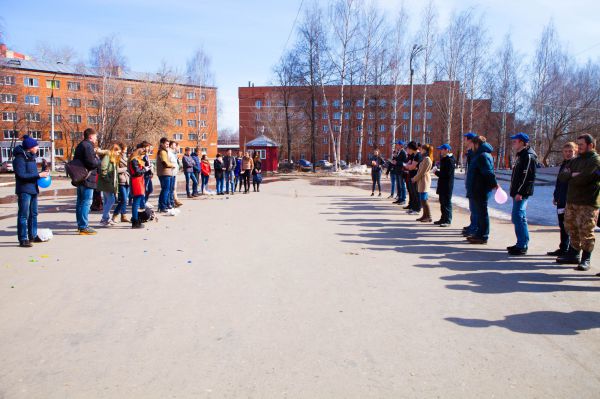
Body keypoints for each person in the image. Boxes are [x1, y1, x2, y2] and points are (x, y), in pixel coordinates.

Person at [556, 134, 600, 273]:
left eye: (581, 144)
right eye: (578, 144)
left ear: (591, 145)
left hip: (588, 203)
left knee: (586, 231)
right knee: (570, 227)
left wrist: (574, 175)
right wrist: (573, 174)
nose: (579, 146)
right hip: (572, 201)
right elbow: (562, 176)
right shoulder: (575, 160)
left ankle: (585, 259)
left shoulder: (595, 161)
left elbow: (584, 179)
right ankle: (573, 254)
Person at [13, 135, 50, 247]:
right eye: (36, 146)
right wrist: (39, 174)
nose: (38, 148)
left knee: (33, 214)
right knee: (24, 215)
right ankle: (23, 238)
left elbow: (32, 174)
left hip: (33, 189)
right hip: (24, 190)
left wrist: (44, 169)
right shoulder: (19, 158)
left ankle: (32, 235)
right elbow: (22, 175)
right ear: (30, 147)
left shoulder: (31, 157)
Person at [507, 133, 538, 256]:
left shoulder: (529, 156)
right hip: (517, 192)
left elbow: (527, 177)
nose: (513, 143)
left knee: (518, 217)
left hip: (522, 193)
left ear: (521, 142)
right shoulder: (521, 155)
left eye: (515, 141)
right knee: (518, 217)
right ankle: (520, 242)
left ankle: (522, 244)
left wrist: (520, 192)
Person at [465, 136, 498, 244]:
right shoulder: (479, 154)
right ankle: (479, 234)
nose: (471, 147)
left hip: (480, 189)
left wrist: (494, 185)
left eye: (472, 144)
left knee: (482, 213)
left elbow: (488, 172)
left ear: (476, 144)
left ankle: (483, 235)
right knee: (479, 213)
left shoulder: (482, 156)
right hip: (477, 188)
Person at [547, 142, 577, 257]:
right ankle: (563, 247)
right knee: (562, 224)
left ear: (575, 151)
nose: (568, 153)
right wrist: (556, 196)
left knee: (569, 225)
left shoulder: (575, 164)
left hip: (570, 199)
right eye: (565, 151)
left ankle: (569, 249)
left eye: (570, 151)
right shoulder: (564, 164)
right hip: (561, 199)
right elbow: (559, 182)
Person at [73, 128, 100, 235]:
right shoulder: (88, 146)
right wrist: (98, 160)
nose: (96, 138)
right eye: (95, 136)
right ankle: (83, 226)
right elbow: (91, 163)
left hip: (80, 177)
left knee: (80, 202)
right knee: (86, 202)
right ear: (90, 136)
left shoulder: (80, 145)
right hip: (87, 178)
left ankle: (81, 225)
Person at [97, 142, 121, 227]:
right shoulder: (107, 156)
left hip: (108, 182)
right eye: (118, 152)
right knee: (111, 200)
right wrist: (106, 179)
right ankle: (104, 218)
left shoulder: (112, 158)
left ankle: (106, 218)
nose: (119, 154)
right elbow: (103, 168)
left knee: (107, 201)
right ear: (114, 151)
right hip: (106, 182)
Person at [434, 143, 456, 227]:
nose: (440, 151)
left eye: (442, 149)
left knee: (446, 203)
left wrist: (436, 172)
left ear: (446, 150)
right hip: (442, 184)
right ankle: (443, 218)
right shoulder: (445, 158)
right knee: (442, 202)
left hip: (447, 185)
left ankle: (447, 220)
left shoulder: (450, 160)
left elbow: (446, 174)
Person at [462, 132, 479, 238]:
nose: (464, 141)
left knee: (475, 207)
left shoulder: (475, 153)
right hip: (470, 181)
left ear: (470, 140)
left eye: (465, 139)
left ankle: (474, 227)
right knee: (472, 206)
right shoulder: (470, 152)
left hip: (474, 184)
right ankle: (472, 225)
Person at [412, 144, 433, 222]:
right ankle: (424, 216)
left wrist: (414, 178)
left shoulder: (427, 159)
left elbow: (422, 172)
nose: (420, 150)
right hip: (422, 181)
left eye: (422, 149)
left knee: (424, 199)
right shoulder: (424, 158)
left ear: (425, 150)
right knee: (422, 199)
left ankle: (429, 216)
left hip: (424, 181)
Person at [128, 147, 147, 229]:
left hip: (138, 180)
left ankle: (135, 219)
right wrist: (145, 169)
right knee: (136, 201)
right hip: (137, 181)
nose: (143, 157)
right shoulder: (134, 160)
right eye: (143, 155)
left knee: (137, 200)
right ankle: (135, 221)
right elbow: (137, 172)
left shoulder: (134, 160)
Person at [112, 144, 130, 224]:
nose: (125, 153)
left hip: (127, 180)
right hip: (121, 180)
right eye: (124, 151)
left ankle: (123, 215)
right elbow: (116, 170)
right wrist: (126, 168)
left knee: (125, 200)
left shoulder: (126, 158)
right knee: (123, 199)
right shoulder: (117, 158)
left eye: (126, 151)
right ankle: (115, 214)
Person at [156, 137, 174, 213]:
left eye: (168, 144)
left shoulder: (163, 151)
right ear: (162, 143)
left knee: (164, 190)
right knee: (166, 190)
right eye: (166, 144)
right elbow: (165, 163)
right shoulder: (162, 152)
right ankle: (163, 206)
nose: (167, 145)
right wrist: (172, 165)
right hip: (165, 173)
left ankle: (161, 206)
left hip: (165, 173)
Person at [404, 141, 422, 214]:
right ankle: (413, 207)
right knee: (413, 193)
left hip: (416, 177)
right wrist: (409, 166)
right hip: (412, 176)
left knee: (416, 193)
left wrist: (408, 166)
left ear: (411, 148)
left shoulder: (418, 155)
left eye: (408, 149)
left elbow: (411, 167)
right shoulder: (413, 155)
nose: (407, 150)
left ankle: (417, 209)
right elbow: (409, 165)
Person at [392, 141, 408, 205]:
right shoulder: (399, 152)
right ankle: (400, 198)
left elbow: (405, 163)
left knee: (402, 186)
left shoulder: (403, 152)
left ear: (401, 145)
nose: (396, 146)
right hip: (397, 171)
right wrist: (394, 159)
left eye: (397, 145)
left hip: (401, 172)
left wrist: (397, 162)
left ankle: (403, 199)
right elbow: (398, 160)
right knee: (399, 186)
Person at [139, 141, 153, 209]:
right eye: (148, 147)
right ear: (144, 147)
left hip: (148, 174)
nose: (149, 148)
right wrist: (146, 167)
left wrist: (151, 168)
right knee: (144, 190)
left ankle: (145, 201)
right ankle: (142, 203)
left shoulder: (147, 155)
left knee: (150, 189)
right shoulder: (141, 155)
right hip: (144, 174)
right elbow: (141, 165)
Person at [169, 141, 183, 208]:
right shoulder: (171, 153)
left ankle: (175, 200)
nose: (178, 148)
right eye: (178, 147)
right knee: (172, 187)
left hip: (175, 172)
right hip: (172, 172)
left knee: (174, 187)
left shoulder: (175, 154)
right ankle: (174, 201)